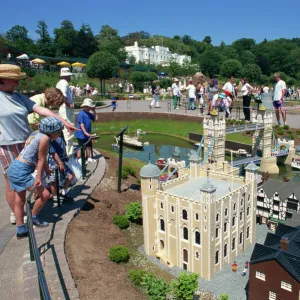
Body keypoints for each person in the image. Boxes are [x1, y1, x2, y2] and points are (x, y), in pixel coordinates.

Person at [0, 64, 76, 225]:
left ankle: (22, 212)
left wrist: (63, 121)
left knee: (24, 178)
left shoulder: (18, 97)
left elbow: (41, 110)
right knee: (12, 181)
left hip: (25, 142)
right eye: (14, 80)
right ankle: (17, 215)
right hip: (6, 144)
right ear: (2, 80)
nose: (17, 84)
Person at [7, 117, 64, 238]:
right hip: (22, 171)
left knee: (20, 201)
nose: (59, 133)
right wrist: (38, 178)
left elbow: (42, 158)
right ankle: (33, 217)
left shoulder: (37, 133)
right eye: (58, 131)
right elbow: (41, 159)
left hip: (14, 168)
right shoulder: (45, 138)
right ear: (52, 131)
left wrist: (48, 172)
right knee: (45, 195)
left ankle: (21, 229)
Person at [48, 133, 75, 203]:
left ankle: (64, 192)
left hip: (62, 161)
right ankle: (55, 197)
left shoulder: (60, 139)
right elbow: (53, 153)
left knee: (71, 175)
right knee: (54, 181)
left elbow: (63, 149)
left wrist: (65, 158)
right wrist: (60, 163)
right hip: (53, 163)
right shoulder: (51, 140)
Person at [56, 67, 75, 155]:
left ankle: (66, 151)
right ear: (67, 75)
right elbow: (64, 95)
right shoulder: (64, 83)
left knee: (65, 129)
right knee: (69, 129)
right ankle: (69, 154)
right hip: (66, 109)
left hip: (63, 108)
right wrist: (69, 104)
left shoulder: (59, 83)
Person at [75, 98, 98, 164]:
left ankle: (88, 157)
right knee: (80, 146)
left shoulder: (89, 114)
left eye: (90, 107)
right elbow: (81, 124)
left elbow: (96, 119)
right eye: (89, 107)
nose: (90, 108)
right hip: (81, 133)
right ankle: (79, 158)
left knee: (88, 145)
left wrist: (94, 111)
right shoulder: (81, 114)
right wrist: (85, 132)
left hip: (88, 133)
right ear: (84, 106)